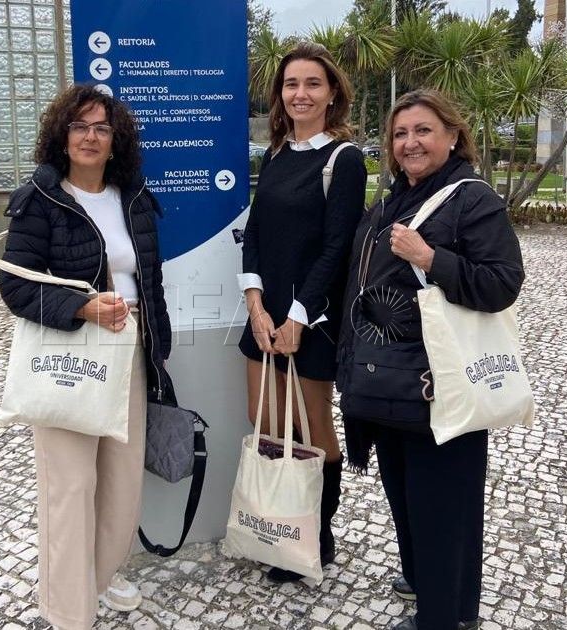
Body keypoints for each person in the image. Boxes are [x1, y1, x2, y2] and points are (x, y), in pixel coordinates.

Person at [336, 89, 525, 630]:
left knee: (444, 505)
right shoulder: (392, 201)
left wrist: (430, 257)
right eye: (400, 134)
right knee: (406, 493)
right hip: (386, 380)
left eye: (422, 131)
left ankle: (443, 614)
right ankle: (425, 578)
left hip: (438, 383)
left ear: (451, 136)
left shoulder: (472, 199)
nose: (410, 143)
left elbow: (501, 283)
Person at [0, 85, 171, 630]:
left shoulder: (133, 197)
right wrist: (82, 307)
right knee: (70, 486)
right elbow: (16, 287)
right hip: (69, 353)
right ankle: (68, 611)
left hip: (131, 350)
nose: (90, 137)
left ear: (116, 141)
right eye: (80, 126)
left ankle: (101, 574)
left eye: (101, 128)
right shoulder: (39, 198)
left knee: (121, 482)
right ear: (62, 136)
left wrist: (157, 350)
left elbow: (150, 280)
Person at [238, 41, 367, 583]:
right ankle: (281, 524)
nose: (301, 93)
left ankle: (317, 534)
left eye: (313, 83)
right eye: (292, 84)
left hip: (311, 320)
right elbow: (257, 237)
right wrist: (254, 304)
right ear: (280, 94)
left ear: (332, 92)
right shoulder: (273, 155)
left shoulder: (344, 158)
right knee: (266, 420)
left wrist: (296, 314)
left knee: (313, 432)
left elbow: (336, 248)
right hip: (263, 315)